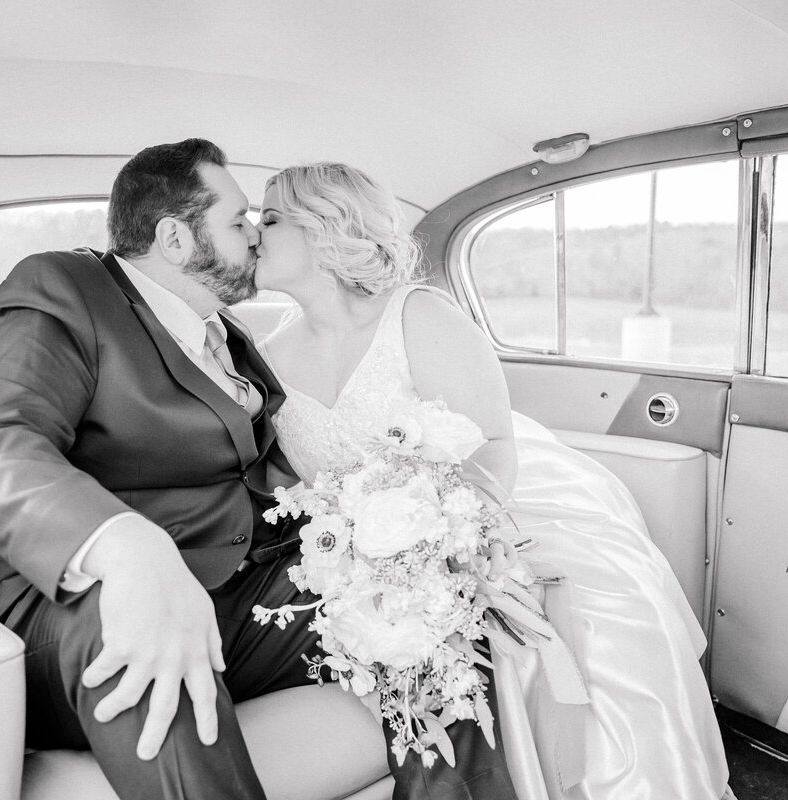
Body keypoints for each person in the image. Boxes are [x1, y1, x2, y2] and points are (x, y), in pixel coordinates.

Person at [0, 138, 518, 800]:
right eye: (241, 219)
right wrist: (127, 549)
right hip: (62, 604)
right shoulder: (65, 291)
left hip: (230, 587)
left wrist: (396, 559)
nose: (253, 234)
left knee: (428, 622)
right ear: (176, 240)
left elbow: (275, 487)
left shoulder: (233, 342)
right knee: (143, 614)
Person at [254, 162, 736, 800]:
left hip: (482, 511)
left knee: (586, 627)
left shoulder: (417, 316)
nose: (253, 235)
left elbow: (494, 448)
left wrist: (445, 550)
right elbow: (300, 485)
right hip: (363, 553)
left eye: (269, 219)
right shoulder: (269, 357)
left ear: (325, 227)